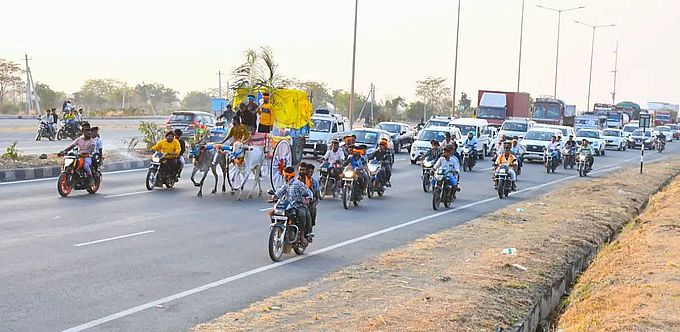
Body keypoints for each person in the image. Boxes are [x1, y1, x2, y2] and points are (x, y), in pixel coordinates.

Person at [272, 166, 313, 244]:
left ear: (287, 176)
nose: (283, 177)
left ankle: (302, 236)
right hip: (288, 206)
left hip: (298, 205)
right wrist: (274, 197)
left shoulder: (298, 184)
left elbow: (308, 192)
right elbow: (279, 192)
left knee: (302, 215)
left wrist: (308, 199)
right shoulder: (286, 184)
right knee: (273, 212)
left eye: (284, 175)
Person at [303, 163, 321, 229]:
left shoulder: (315, 182)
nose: (309, 173)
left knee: (313, 209)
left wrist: (314, 204)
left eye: (311, 172)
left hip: (310, 202)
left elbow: (318, 196)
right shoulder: (299, 180)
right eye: (308, 171)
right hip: (300, 201)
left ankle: (310, 226)